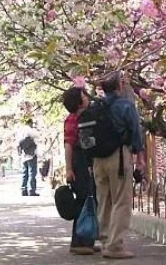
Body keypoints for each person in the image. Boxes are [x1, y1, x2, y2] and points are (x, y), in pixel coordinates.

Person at [95, 72, 145, 259]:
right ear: (120, 86)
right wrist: (140, 158)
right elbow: (135, 133)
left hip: (98, 159)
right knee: (121, 201)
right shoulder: (126, 105)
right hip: (119, 156)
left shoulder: (96, 105)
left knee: (104, 199)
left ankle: (106, 239)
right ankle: (115, 246)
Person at [62, 86, 100, 255]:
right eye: (83, 95)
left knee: (90, 199)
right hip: (79, 162)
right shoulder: (72, 120)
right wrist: (69, 168)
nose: (87, 97)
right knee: (84, 199)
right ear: (78, 102)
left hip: (86, 161)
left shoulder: (87, 116)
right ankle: (78, 242)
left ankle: (87, 239)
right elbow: (69, 145)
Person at [17, 119, 40, 196]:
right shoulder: (30, 130)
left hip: (23, 155)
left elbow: (17, 144)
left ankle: (23, 189)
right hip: (31, 154)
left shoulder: (20, 131)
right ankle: (31, 190)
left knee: (24, 173)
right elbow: (37, 136)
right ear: (30, 123)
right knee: (32, 173)